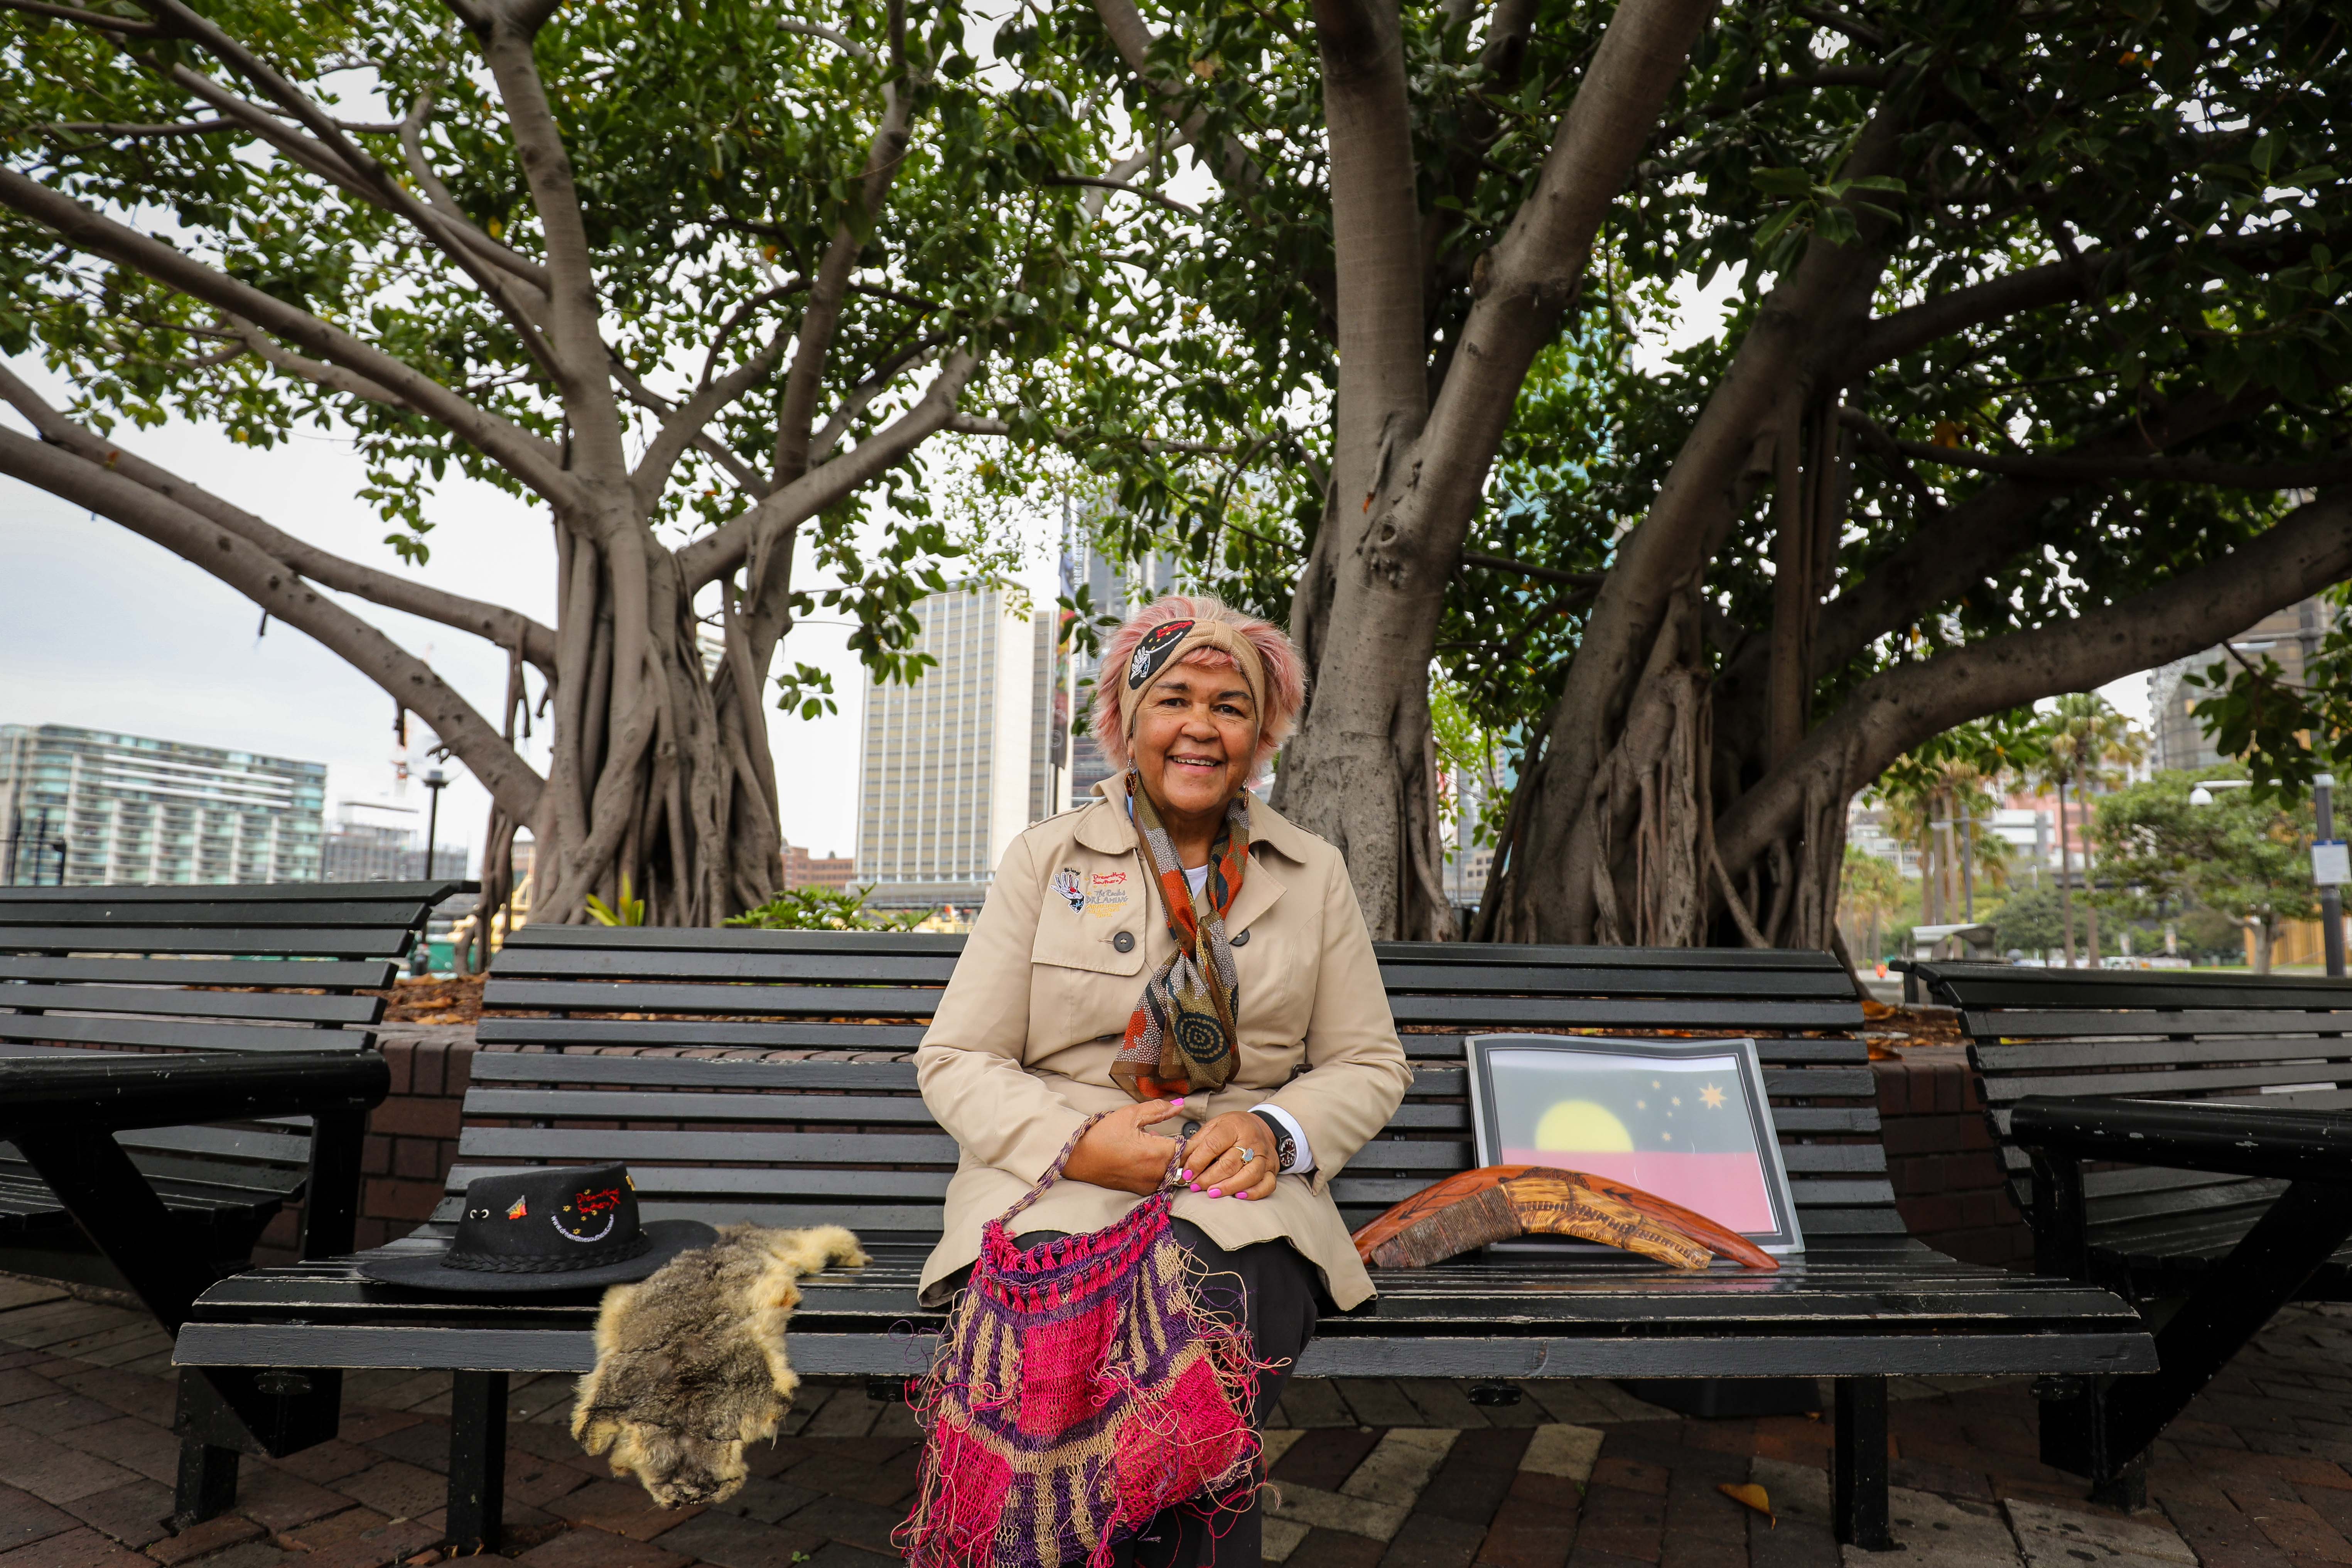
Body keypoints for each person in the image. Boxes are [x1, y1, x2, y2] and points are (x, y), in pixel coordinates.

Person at [914, 594, 1414, 1566]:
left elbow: (1367, 1061)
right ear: (1127, 722)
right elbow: (958, 1057)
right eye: (1174, 698)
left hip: (1235, 1192)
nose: (1200, 725)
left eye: (1230, 706)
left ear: (1261, 734)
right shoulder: (1046, 859)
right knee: (1066, 1340)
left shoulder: (1310, 874)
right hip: (1053, 1184)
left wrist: (1275, 1128)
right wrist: (1078, 1144)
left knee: (1200, 1336)